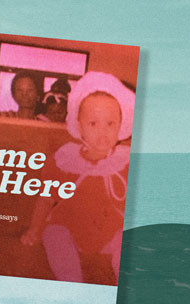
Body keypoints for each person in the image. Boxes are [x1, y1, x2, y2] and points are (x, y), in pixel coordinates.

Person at [20, 71, 134, 285]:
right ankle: (72, 283)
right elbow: (46, 198)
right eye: (93, 124)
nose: (103, 131)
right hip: (70, 226)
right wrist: (35, 228)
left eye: (110, 123)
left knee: (125, 239)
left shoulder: (126, 161)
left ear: (121, 123)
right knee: (53, 233)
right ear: (79, 125)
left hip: (109, 229)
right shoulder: (64, 159)